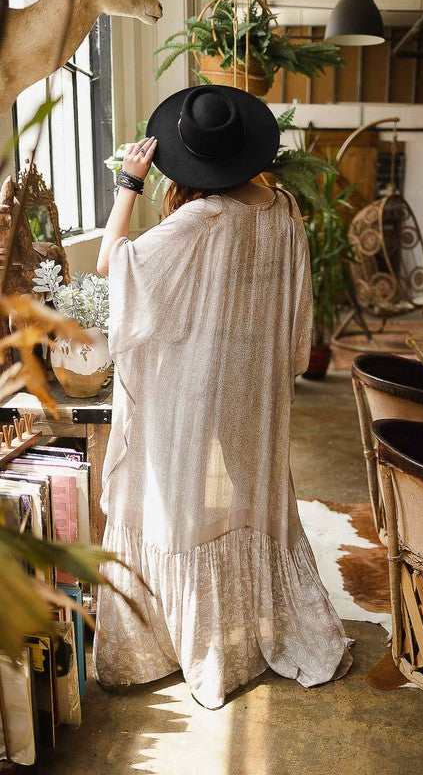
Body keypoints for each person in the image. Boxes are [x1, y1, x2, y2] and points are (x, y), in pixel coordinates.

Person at [93, 85, 353, 709]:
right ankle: (252, 621)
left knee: (179, 508)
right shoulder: (283, 209)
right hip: (254, 390)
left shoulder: (200, 220)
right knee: (247, 500)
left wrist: (130, 184)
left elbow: (111, 265)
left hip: (196, 389)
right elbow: (296, 314)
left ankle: (188, 639)